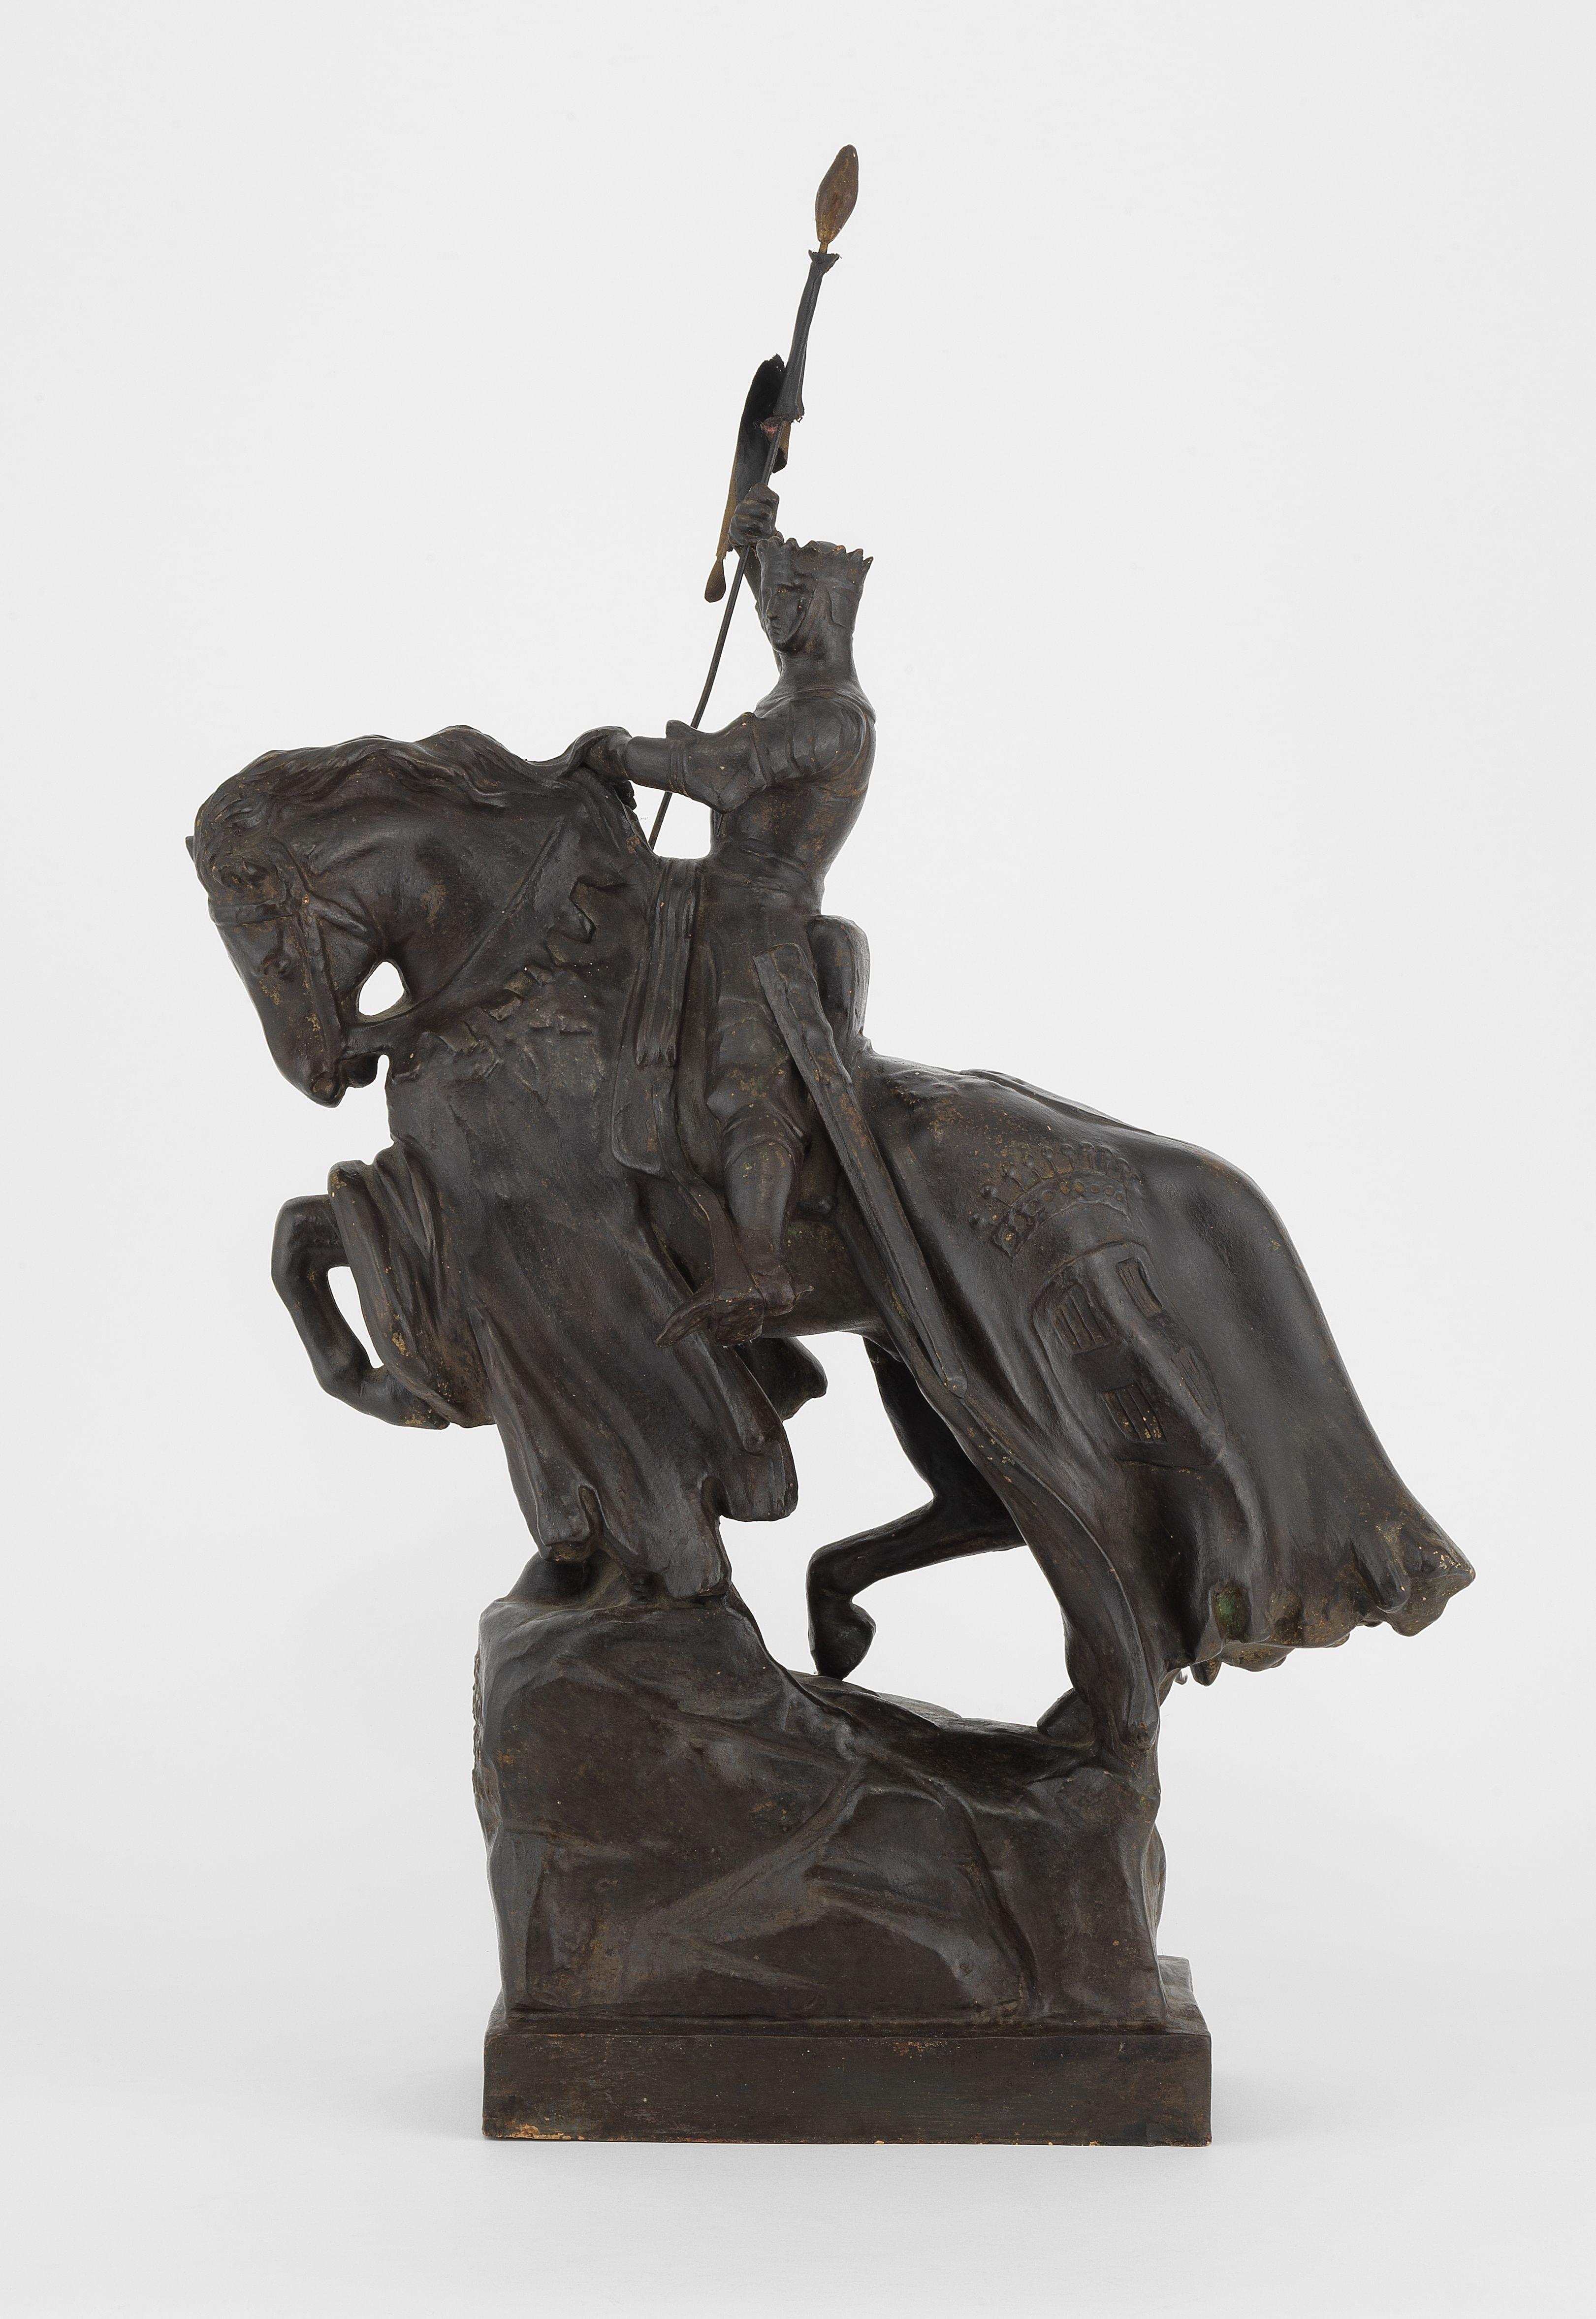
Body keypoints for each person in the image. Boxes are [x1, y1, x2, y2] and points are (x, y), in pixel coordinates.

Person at [584, 485, 874, 1343]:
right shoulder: (793, 693)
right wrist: (757, 547)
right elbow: (773, 618)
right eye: (767, 601)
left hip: (763, 922)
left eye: (789, 602)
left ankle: (758, 1261)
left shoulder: (834, 718)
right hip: (706, 895)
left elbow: (720, 773)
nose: (771, 616)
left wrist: (617, 753)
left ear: (827, 611)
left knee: (746, 1083)